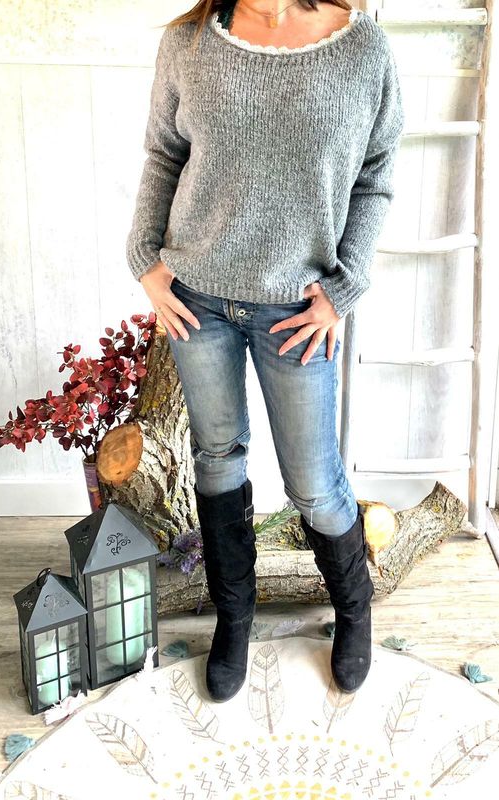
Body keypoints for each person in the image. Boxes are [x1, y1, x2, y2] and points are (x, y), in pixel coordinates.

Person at [126, 0, 405, 702]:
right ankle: (235, 618)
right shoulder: (189, 41)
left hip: (298, 311)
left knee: (313, 484)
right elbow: (164, 154)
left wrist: (343, 289)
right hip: (197, 298)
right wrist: (145, 261)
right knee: (217, 458)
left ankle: (353, 608)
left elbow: (375, 175)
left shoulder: (362, 49)